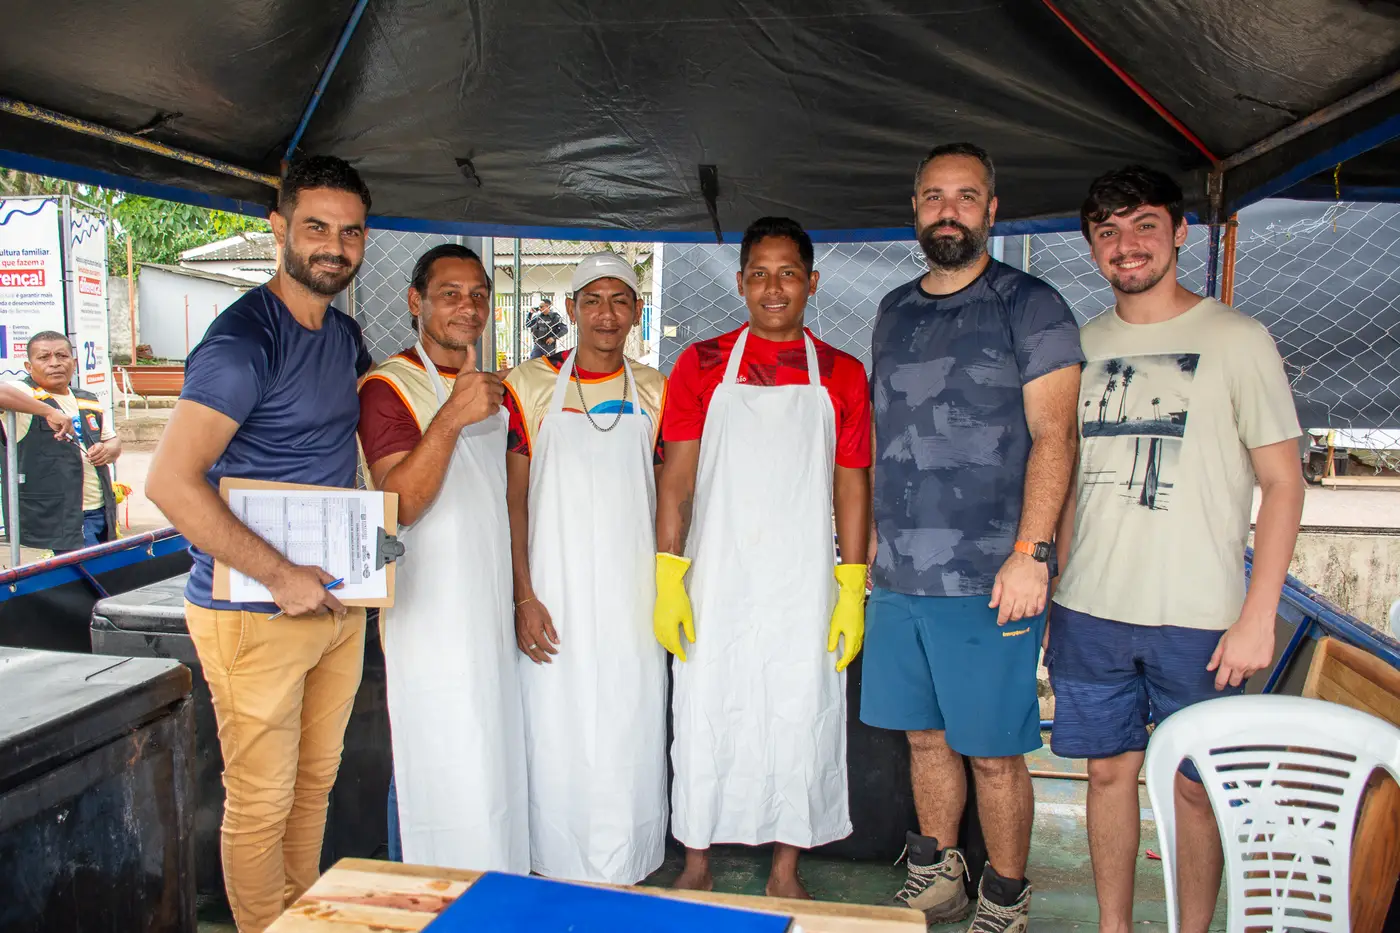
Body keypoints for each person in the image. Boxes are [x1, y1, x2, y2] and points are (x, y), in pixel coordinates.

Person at [1049, 166, 1304, 933]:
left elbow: (1284, 484)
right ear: (1092, 246)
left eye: (1144, 226)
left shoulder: (1237, 339)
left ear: (1181, 231)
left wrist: (1258, 615)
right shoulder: (1081, 346)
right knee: (1106, 774)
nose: (1126, 245)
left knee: (1197, 786)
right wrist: (1057, 590)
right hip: (1090, 609)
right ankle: (1114, 926)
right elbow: (1066, 483)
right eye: (1108, 231)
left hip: (1202, 618)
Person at [147, 155, 374, 933]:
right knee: (262, 800)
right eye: (316, 227)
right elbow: (171, 482)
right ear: (278, 228)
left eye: (350, 232)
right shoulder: (244, 341)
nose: (334, 247)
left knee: (313, 788)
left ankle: (298, 921)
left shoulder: (343, 335)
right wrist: (279, 575)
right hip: (253, 607)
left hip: (334, 599)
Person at [863, 142, 1083, 932]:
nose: (947, 210)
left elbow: (1056, 436)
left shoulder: (1031, 303)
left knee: (992, 751)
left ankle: (1006, 896)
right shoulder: (893, 308)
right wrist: (869, 546)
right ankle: (939, 877)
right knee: (925, 740)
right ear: (915, 209)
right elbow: (886, 432)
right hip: (899, 576)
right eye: (933, 196)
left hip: (991, 576)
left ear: (992, 209)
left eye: (965, 196)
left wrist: (1032, 553)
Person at [654, 216, 872, 899]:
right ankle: (696, 857)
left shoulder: (842, 373)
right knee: (704, 708)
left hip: (803, 577)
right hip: (717, 573)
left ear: (813, 282)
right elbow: (677, 479)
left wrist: (852, 583)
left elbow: (852, 482)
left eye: (788, 274)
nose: (773, 289)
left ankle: (785, 867)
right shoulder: (701, 363)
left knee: (799, 708)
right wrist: (668, 573)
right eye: (758, 274)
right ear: (740, 281)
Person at [356, 243, 527, 872]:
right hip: (428, 605)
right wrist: (451, 417)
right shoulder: (388, 387)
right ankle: (427, 889)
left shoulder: (494, 388)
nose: (468, 307)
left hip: (485, 597)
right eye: (450, 294)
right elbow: (399, 503)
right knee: (432, 751)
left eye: (478, 294)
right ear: (415, 301)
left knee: (486, 748)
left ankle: (492, 885)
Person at [505, 251, 668, 884]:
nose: (606, 314)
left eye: (620, 300)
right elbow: (513, 499)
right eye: (592, 300)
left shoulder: (654, 389)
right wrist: (523, 594)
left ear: (636, 310)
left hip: (632, 591)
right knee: (555, 723)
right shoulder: (527, 386)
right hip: (554, 589)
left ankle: (627, 863)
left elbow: (669, 493)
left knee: (630, 718)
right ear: (571, 309)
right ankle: (554, 861)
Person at [0, 332, 118, 552]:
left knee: (105, 568)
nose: (54, 363)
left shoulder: (87, 399)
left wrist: (108, 450)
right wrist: (48, 412)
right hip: (59, 517)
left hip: (99, 509)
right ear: (28, 366)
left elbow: (112, 441)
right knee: (85, 570)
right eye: (44, 357)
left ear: (74, 362)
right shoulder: (27, 394)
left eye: (62, 356)